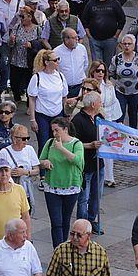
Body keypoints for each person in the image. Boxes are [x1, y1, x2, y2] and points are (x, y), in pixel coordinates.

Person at [40, 116, 85, 247]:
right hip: (52, 186)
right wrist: (44, 162)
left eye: (57, 130)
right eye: (52, 131)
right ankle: (57, 249)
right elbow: (40, 160)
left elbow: (77, 160)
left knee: (65, 220)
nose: (54, 134)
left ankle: (64, 247)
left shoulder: (77, 144)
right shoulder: (49, 143)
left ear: (65, 129)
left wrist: (61, 148)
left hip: (70, 186)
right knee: (56, 222)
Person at [72, 90, 105, 234]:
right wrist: (89, 145)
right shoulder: (77, 120)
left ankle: (92, 221)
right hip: (85, 164)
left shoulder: (98, 117)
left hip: (98, 162)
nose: (101, 104)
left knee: (97, 195)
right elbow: (73, 143)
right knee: (83, 198)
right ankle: (82, 225)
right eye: (99, 102)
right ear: (92, 104)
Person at [28, 50, 68, 154]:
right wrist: (33, 119)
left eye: (58, 59)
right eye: (55, 60)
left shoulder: (60, 76)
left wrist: (66, 114)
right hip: (42, 115)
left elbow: (64, 97)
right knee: (44, 145)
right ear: (46, 62)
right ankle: (43, 169)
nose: (57, 62)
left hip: (58, 114)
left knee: (58, 143)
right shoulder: (37, 77)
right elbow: (32, 99)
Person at [0, 123, 40, 210]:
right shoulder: (4, 152)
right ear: (14, 138)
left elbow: (37, 170)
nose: (26, 141)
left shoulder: (29, 149)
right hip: (9, 192)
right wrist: (10, 172)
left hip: (26, 191)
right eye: (23, 138)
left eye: (27, 138)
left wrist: (25, 172)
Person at [81, 0, 126, 69]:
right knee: (97, 66)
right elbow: (84, 20)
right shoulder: (90, 4)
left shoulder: (114, 3)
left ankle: (107, 80)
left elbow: (122, 20)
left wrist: (116, 36)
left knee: (109, 66)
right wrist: (89, 36)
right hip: (94, 40)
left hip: (110, 40)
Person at [7, 7, 41, 102]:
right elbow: (10, 44)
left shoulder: (37, 29)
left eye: (23, 17)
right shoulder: (17, 27)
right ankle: (17, 98)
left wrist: (32, 45)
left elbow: (41, 44)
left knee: (30, 83)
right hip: (16, 60)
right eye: (20, 17)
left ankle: (29, 103)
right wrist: (11, 40)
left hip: (30, 61)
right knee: (15, 82)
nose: (21, 19)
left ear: (30, 17)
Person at [54, 27, 90, 99]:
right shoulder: (56, 52)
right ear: (66, 39)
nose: (77, 40)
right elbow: (55, 70)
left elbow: (86, 64)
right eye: (74, 38)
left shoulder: (82, 48)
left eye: (77, 37)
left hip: (80, 86)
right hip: (64, 88)